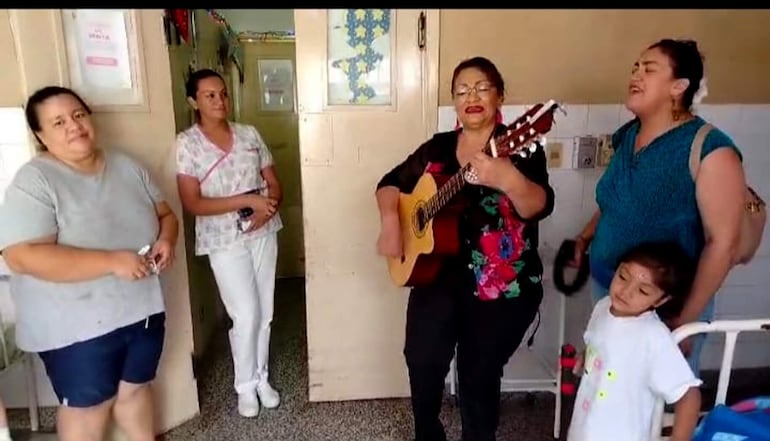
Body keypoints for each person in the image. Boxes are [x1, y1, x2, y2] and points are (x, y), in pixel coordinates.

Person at [375, 56, 555, 441]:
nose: (471, 96)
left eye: (482, 87)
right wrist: (392, 221)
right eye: (461, 91)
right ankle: (428, 434)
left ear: (500, 96)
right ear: (454, 102)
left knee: (477, 374)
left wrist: (506, 177)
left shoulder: (519, 146)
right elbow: (389, 183)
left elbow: (538, 205)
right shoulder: (438, 148)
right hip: (437, 275)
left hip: (500, 283)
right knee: (422, 360)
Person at [0, 86, 177, 441]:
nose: (74, 127)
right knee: (88, 407)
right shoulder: (35, 181)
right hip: (75, 325)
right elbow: (20, 255)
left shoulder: (126, 166)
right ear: (40, 134)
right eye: (58, 122)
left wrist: (166, 240)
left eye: (78, 116)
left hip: (140, 309)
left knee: (136, 390)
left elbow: (166, 214)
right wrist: (112, 261)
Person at [572, 39, 746, 373]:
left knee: (658, 400)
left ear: (678, 86)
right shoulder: (628, 135)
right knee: (609, 385)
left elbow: (723, 244)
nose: (636, 75)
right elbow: (617, 200)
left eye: (649, 69)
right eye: (635, 67)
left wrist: (685, 322)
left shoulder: (709, 149)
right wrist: (584, 237)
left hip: (664, 303)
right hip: (609, 287)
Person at [175, 69, 283, 418]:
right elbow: (193, 203)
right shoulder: (187, 143)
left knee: (265, 312)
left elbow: (273, 183)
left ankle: (262, 378)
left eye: (223, 93)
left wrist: (265, 211)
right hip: (222, 238)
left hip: (262, 231)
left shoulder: (249, 134)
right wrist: (245, 201)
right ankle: (245, 386)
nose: (220, 100)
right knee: (245, 313)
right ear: (194, 101)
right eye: (209, 95)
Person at [567, 242, 702, 441]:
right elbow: (600, 343)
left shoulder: (653, 336)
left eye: (643, 291)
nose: (626, 291)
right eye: (623, 276)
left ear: (660, 300)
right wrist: (585, 356)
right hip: (583, 430)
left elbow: (689, 397)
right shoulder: (603, 307)